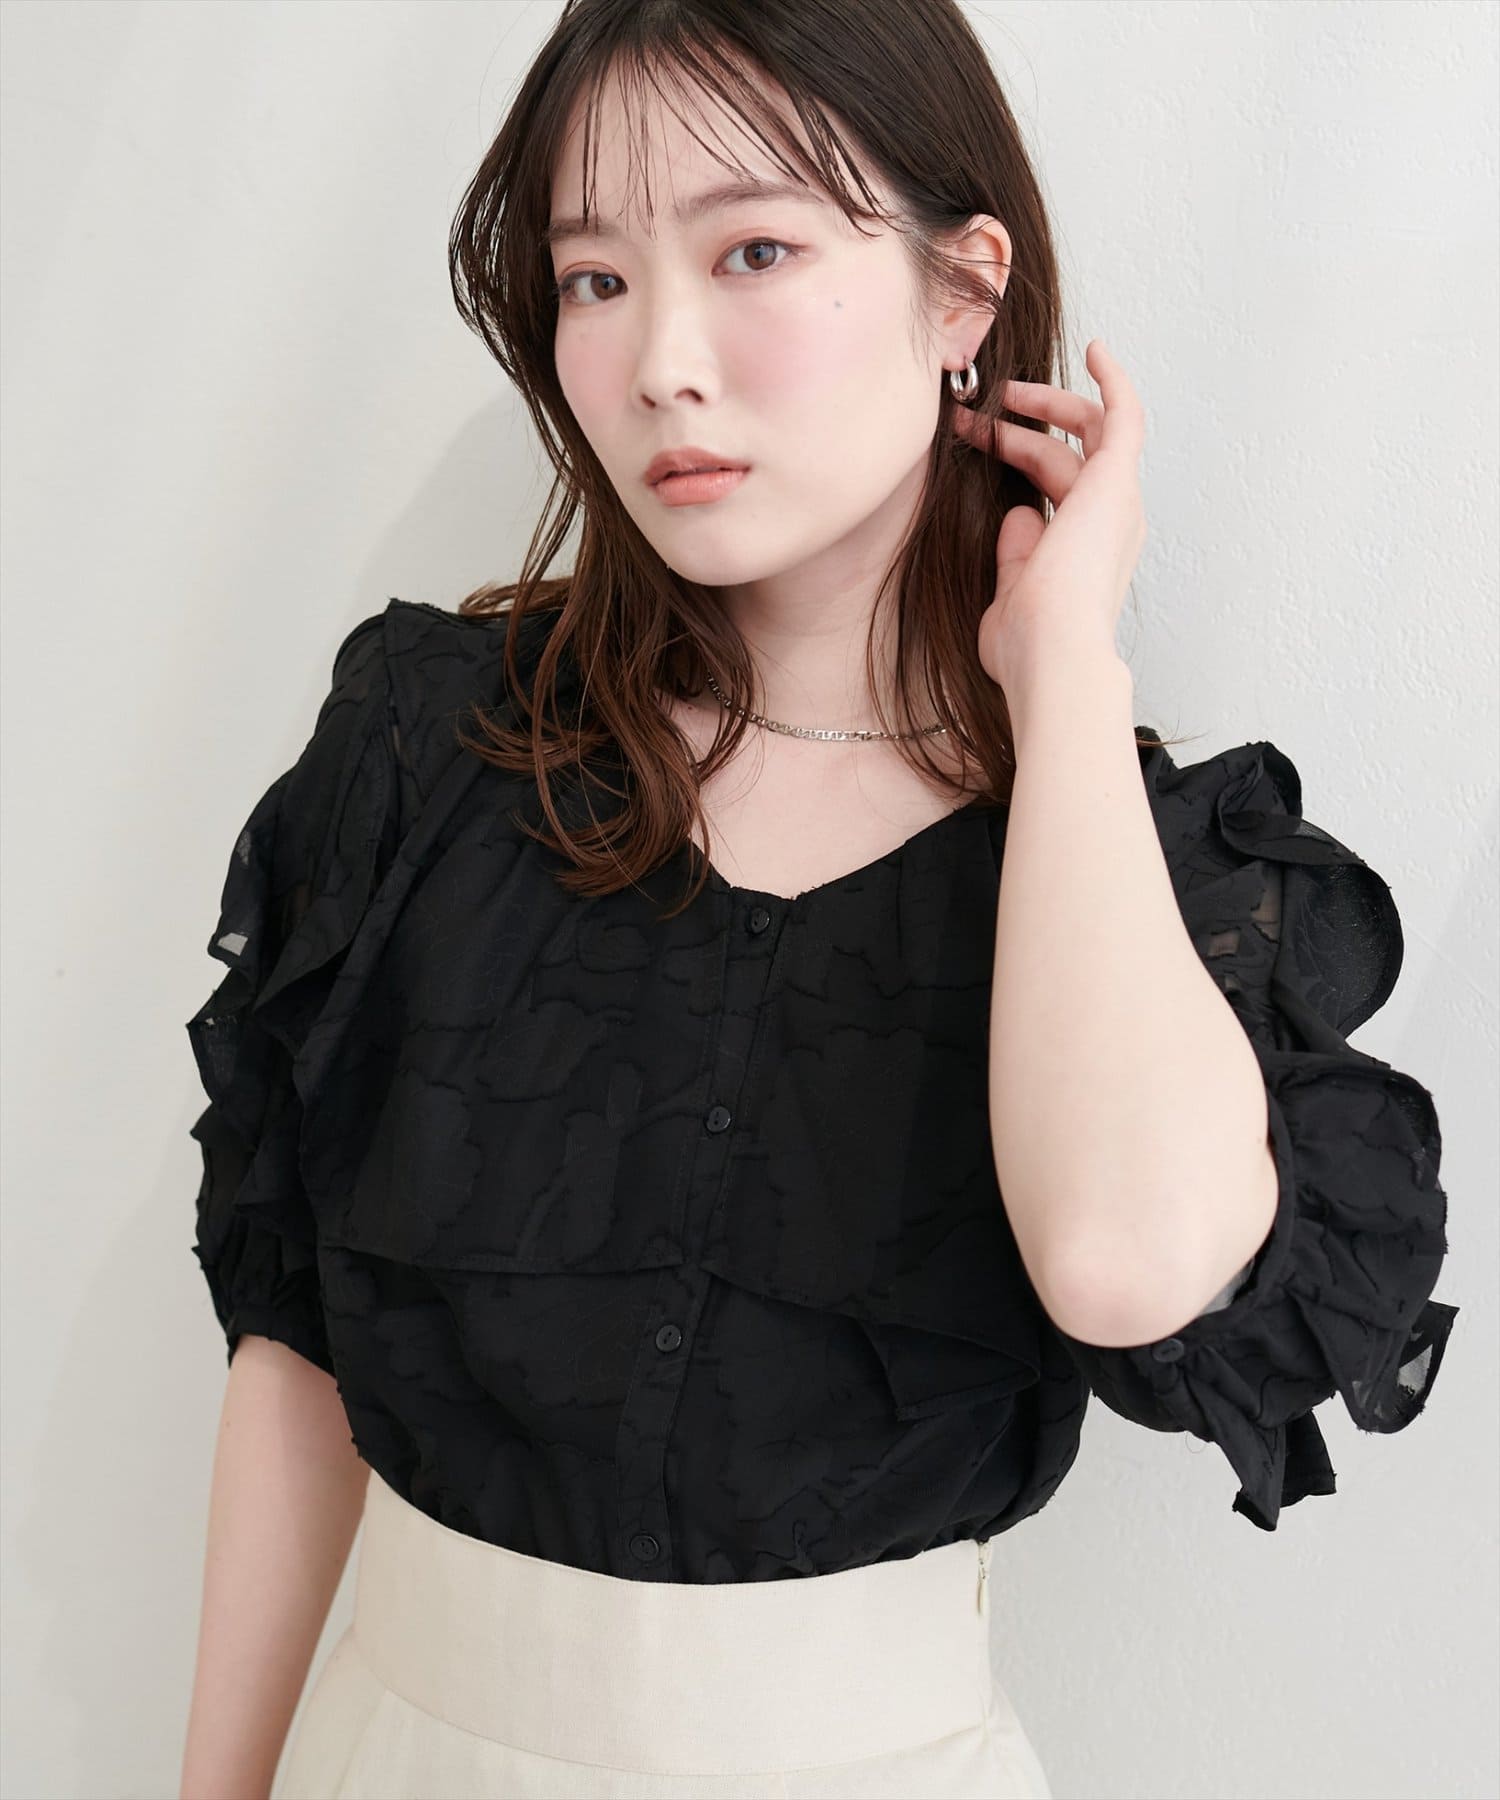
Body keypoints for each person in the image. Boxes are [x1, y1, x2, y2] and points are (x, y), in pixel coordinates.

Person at [177, 2, 1459, 1796]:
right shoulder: (432, 754)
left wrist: (1062, 670)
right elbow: (298, 1351)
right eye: (596, 279)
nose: (658, 365)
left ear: (963, 294)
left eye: (755, 252)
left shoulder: (1121, 861)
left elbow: (1126, 1265)